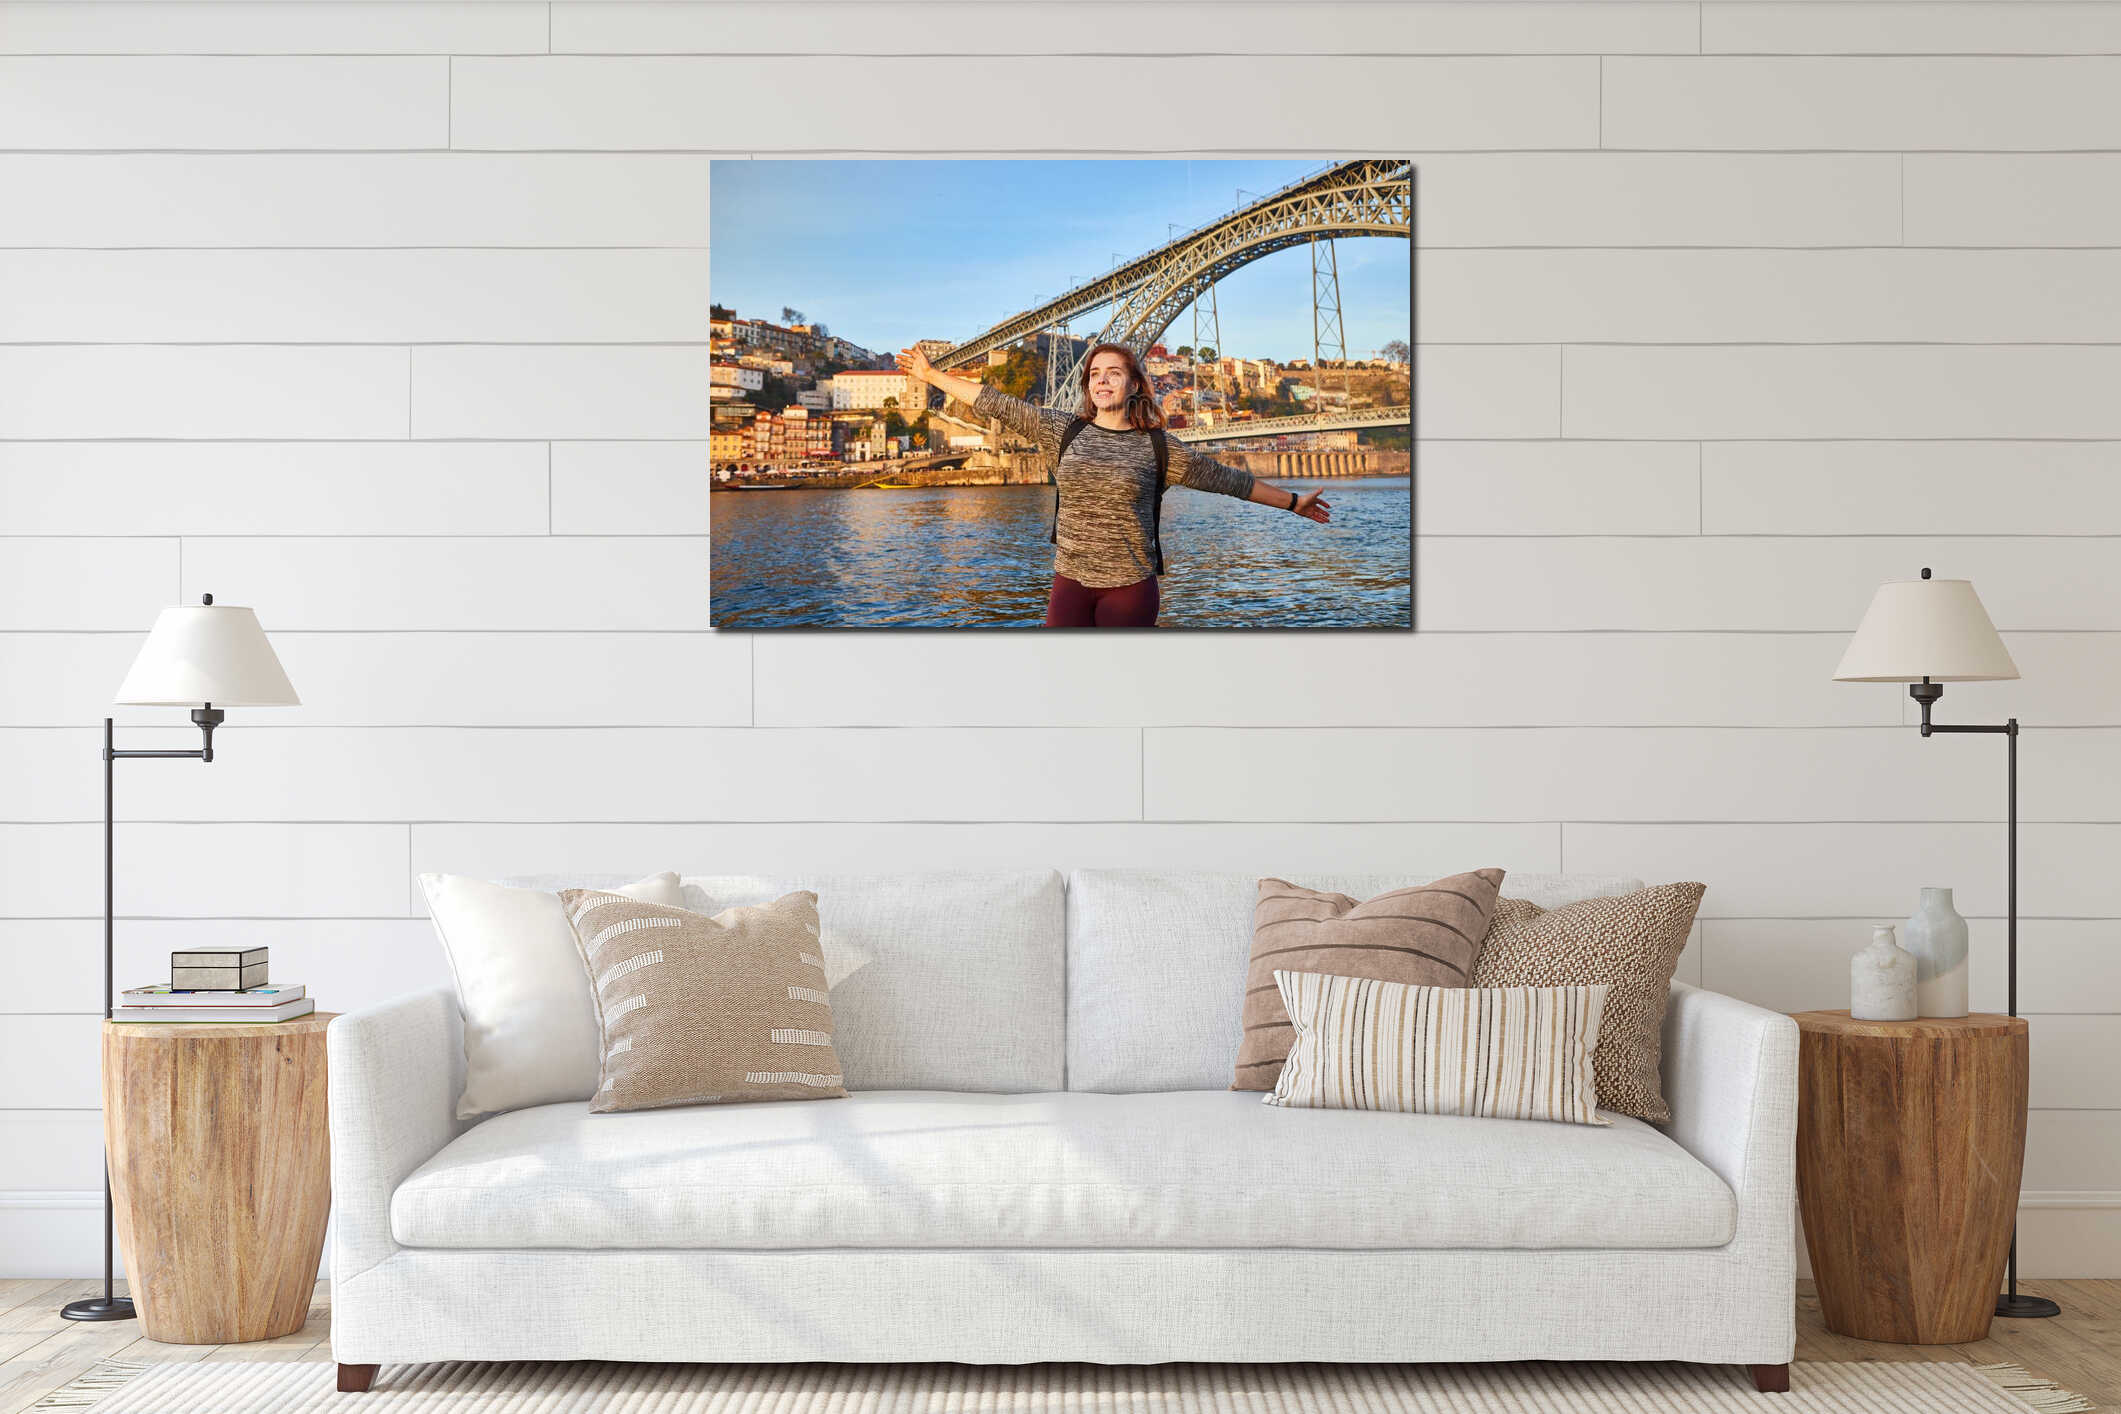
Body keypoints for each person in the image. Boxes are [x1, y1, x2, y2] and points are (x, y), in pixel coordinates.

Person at [896, 341, 1329, 627]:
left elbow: (1228, 480)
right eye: (1094, 373)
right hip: (1069, 584)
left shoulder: (1160, 448)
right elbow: (996, 402)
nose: (1101, 379)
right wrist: (931, 375)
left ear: (1134, 384)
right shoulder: (1060, 429)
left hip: (1130, 590)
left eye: (1113, 372)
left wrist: (1293, 502)